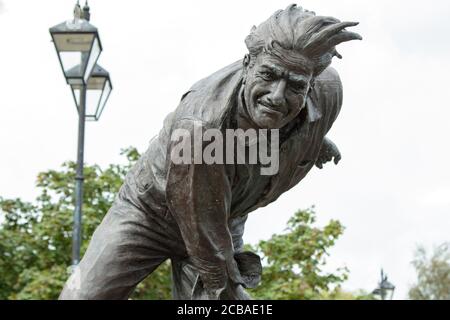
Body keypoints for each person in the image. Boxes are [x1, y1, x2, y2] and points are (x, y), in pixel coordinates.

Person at [59, 4, 361, 300]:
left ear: (310, 85)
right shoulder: (199, 129)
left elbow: (298, 117)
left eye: (295, 85)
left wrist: (309, 138)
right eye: (268, 75)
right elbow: (207, 241)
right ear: (248, 64)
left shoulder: (327, 93)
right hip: (151, 215)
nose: (277, 95)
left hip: (224, 211)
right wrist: (228, 287)